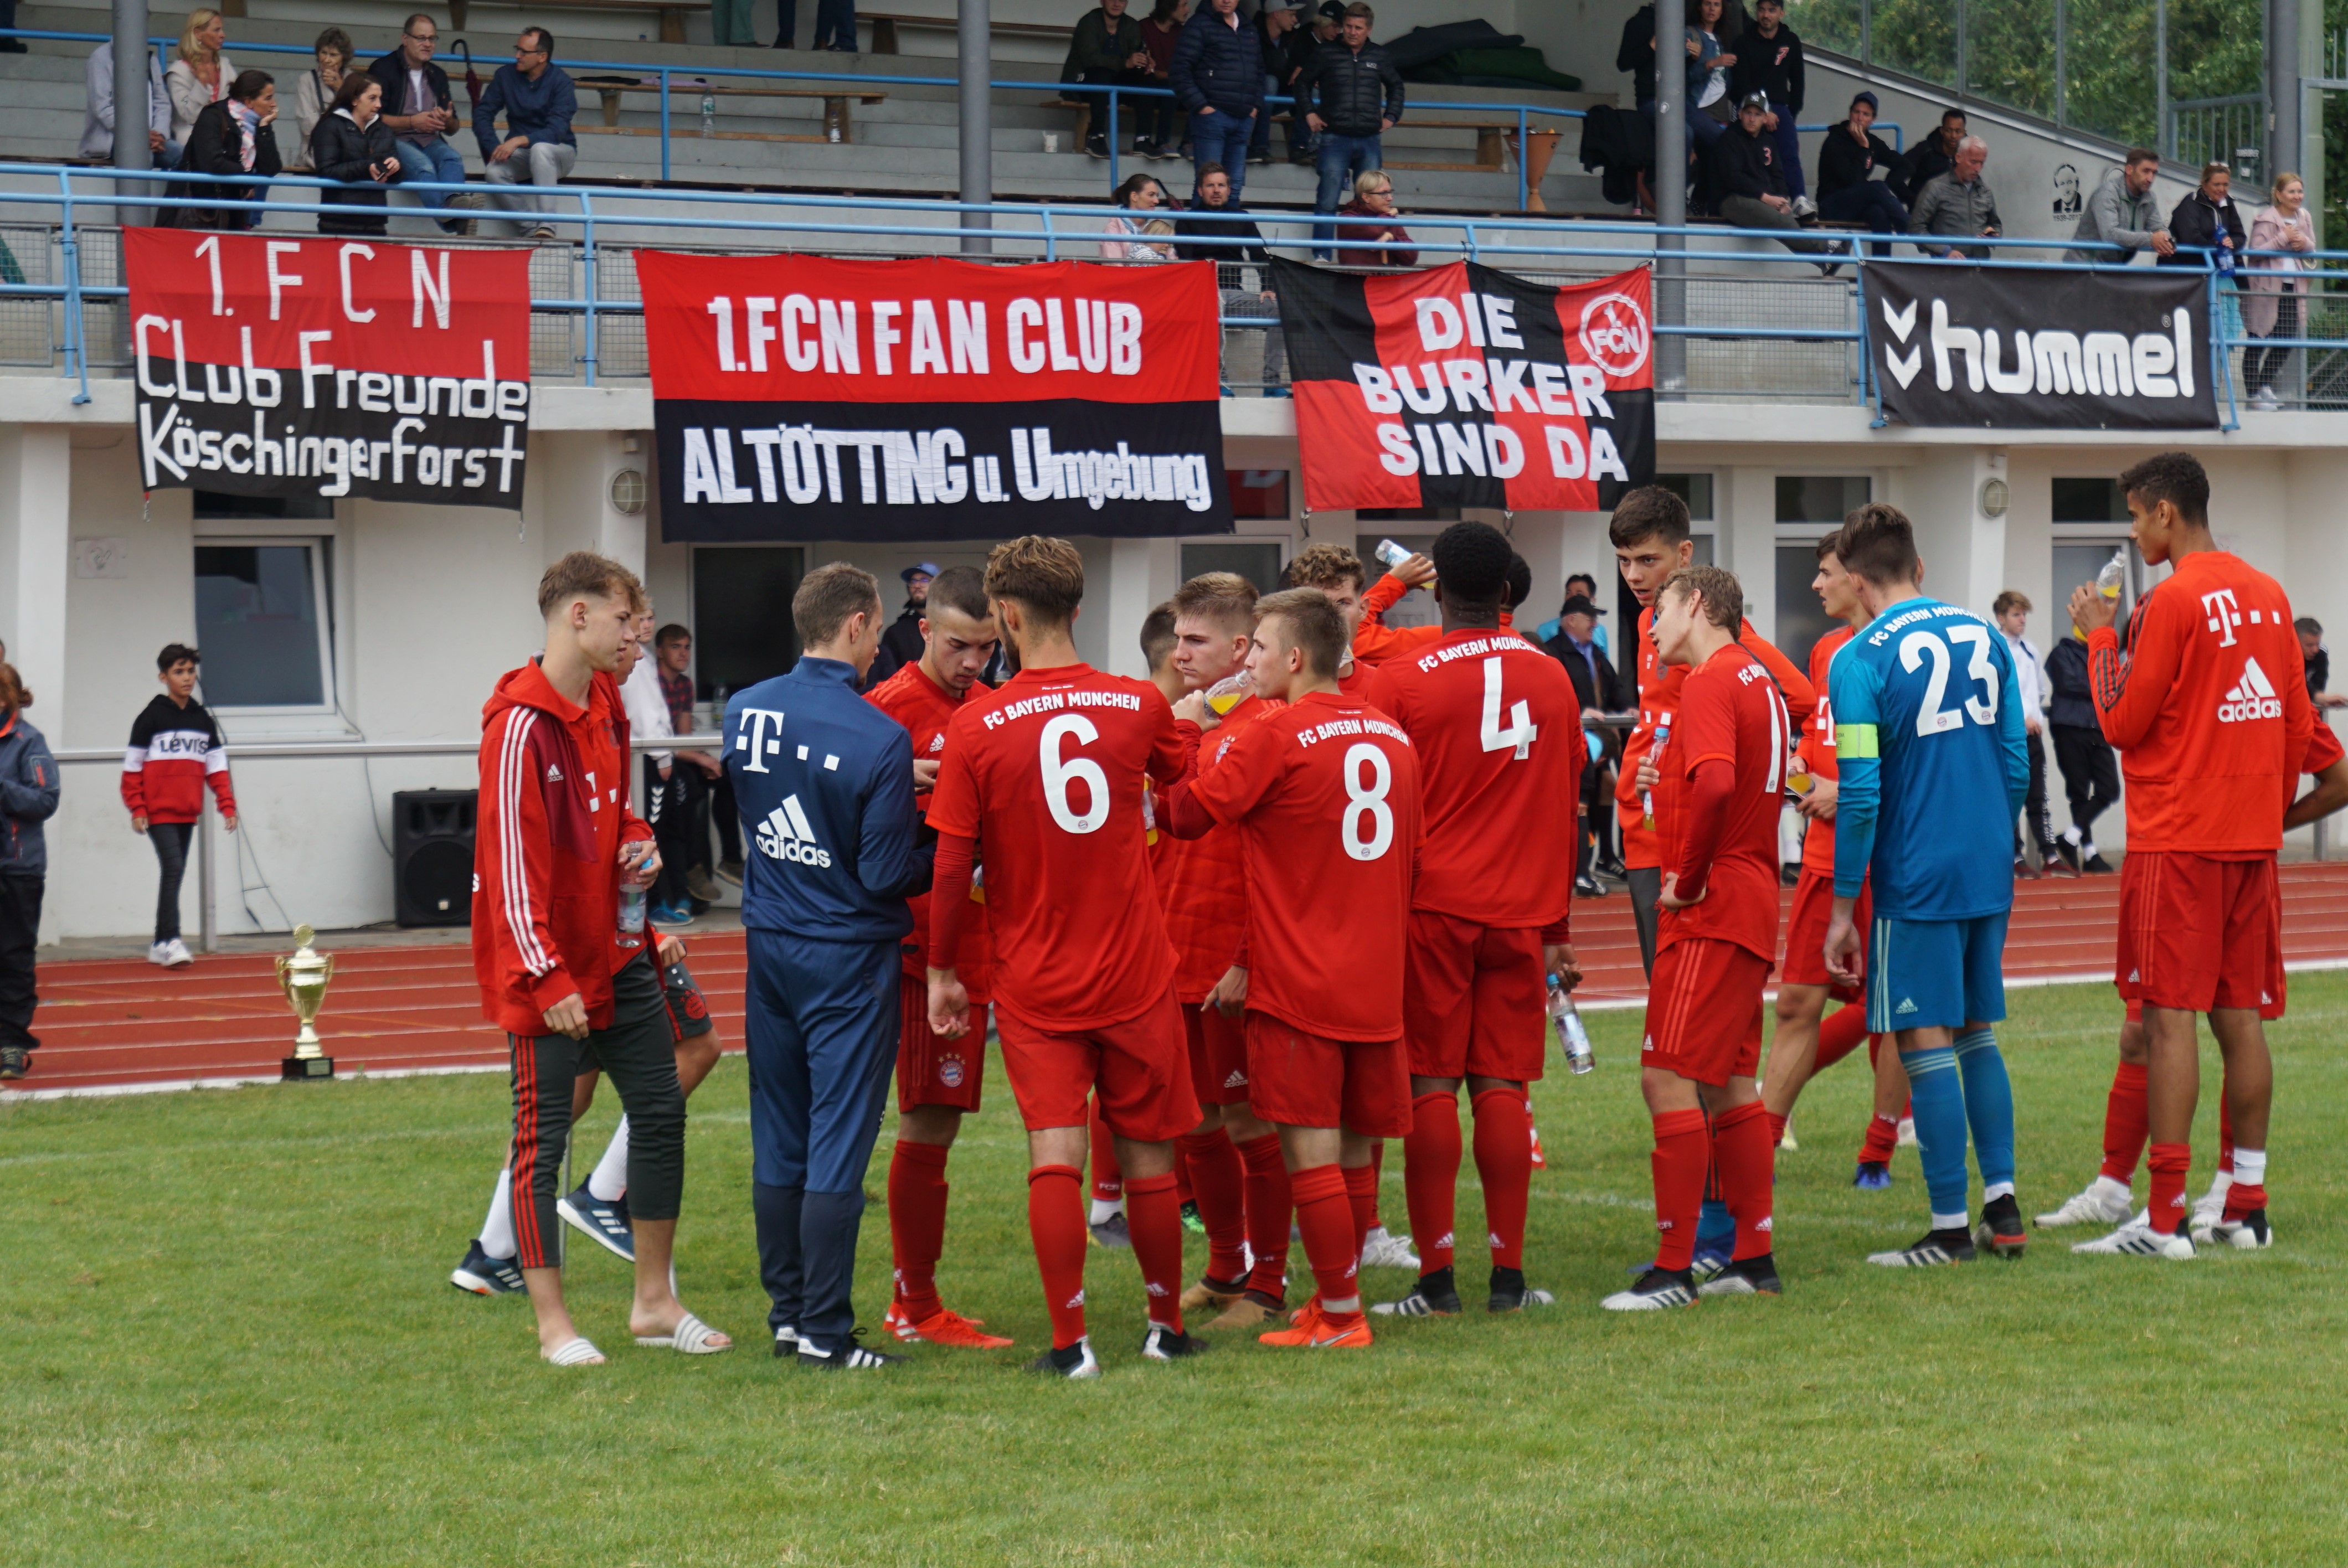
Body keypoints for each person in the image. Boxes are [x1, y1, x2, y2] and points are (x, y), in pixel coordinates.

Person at [925, 537, 1207, 1378]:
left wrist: (943, 969)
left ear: (1005, 615)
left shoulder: (975, 724)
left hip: (1037, 975)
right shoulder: (1134, 703)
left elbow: (949, 863)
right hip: (1135, 969)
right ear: (1077, 609)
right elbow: (1184, 797)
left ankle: (1069, 1342)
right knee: (1152, 1153)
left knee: (1056, 1152)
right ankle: (1164, 1328)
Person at [471, 552, 724, 1366]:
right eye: (625, 621)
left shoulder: (608, 702)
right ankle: (554, 1325)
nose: (636, 639)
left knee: (660, 1113)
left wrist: (640, 845)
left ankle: (654, 1303)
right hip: (546, 976)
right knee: (541, 1143)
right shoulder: (518, 726)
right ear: (577, 616)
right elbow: (510, 867)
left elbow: (618, 814)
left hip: (618, 957)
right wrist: (546, 978)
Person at [1156, 589, 1423, 1348]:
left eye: (1260, 652)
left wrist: (1186, 732)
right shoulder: (1391, 736)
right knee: (1340, 1147)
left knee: (1306, 1150)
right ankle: (1327, 1303)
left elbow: (1185, 816)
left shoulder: (1280, 732)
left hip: (1299, 969)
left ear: (1295, 658)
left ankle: (1337, 1312)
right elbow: (1415, 855)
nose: (1249, 667)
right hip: (1372, 974)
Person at [2064, 453, 2313, 1258]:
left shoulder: (2170, 601)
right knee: (2241, 1022)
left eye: (2137, 516)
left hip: (2180, 840)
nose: (2134, 532)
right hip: (2250, 845)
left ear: (2167, 513)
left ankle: (2163, 1217)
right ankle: (2246, 1200)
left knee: (2167, 1022)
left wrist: (2099, 638)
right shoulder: (2272, 594)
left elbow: (2121, 722)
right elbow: (2294, 725)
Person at [1358, 521, 1581, 1319]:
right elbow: (1567, 807)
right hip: (1521, 911)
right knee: (1502, 1088)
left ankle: (1436, 1281)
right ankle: (1510, 1280)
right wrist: (1558, 925)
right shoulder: (1554, 676)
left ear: (1436, 588)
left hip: (1434, 906)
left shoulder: (1405, 677)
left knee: (1429, 1087)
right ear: (1510, 592)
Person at [727, 563, 934, 1370]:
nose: (880, 641)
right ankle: (824, 1330)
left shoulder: (745, 709)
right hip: (847, 957)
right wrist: (952, 841)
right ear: (853, 626)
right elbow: (886, 873)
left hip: (770, 942)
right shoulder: (881, 735)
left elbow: (786, 794)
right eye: (878, 627)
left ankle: (787, 1315)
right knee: (838, 1144)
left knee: (779, 1136)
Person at [1821, 503, 2029, 1270]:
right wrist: (1987, 835)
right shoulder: (1987, 635)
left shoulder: (1857, 659)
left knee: (1923, 1035)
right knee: (1976, 1028)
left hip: (1917, 871)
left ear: (1855, 578)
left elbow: (1863, 790)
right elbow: (2015, 764)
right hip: (1986, 863)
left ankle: (1948, 1228)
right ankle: (2001, 1204)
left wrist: (1844, 907)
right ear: (1919, 568)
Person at [1611, 488, 1814, 1270]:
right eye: (1626, 561)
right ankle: (1735, 1245)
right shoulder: (1664, 637)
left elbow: (1799, 708)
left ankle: (1694, 1245)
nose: (1636, 579)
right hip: (1663, 846)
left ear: (1688, 572)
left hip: (1699, 865)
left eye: (1650, 564)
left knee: (1678, 1062)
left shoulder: (1727, 657)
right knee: (1712, 1063)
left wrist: (1812, 782)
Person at [861, 568, 1011, 1352]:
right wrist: (896, 788)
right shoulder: (885, 714)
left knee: (941, 1121)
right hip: (921, 956)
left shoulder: (991, 708)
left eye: (988, 648)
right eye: (959, 645)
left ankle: (914, 1301)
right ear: (923, 629)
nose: (973, 662)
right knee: (927, 1120)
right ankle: (912, 1305)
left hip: (978, 948)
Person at [1147, 572, 1297, 1332]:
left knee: (1247, 1122)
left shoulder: (1263, 726)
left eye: (1195, 640)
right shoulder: (1184, 717)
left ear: (1241, 647)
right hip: (1172, 952)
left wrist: (1246, 955)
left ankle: (1268, 1283)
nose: (1180, 653)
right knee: (1195, 1123)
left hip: (1229, 959)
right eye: (1176, 639)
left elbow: (1270, 859)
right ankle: (1225, 1266)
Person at [1760, 533, 1908, 1188]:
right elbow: (1818, 744)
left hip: (1891, 863)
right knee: (1796, 1001)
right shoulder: (1825, 651)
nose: (1815, 586)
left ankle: (1877, 1148)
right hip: (1825, 859)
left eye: (1823, 574)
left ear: (1857, 577)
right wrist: (1799, 779)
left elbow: (1918, 766)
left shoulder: (1903, 651)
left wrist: (1842, 791)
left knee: (1894, 1011)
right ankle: (1757, 1144)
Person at [122, 644, 237, 971]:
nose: (187, 678)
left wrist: (227, 805)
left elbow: (216, 768)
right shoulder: (151, 717)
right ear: (163, 677)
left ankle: (161, 942)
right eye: (178, 672)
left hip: (187, 811)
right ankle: (171, 939)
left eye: (190, 672)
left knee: (174, 872)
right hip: (158, 812)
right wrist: (138, 808)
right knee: (173, 868)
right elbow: (131, 770)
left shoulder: (202, 719)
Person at [1299, 1, 1401, 257]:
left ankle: (1368, 259)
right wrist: (1310, 114)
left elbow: (1397, 87)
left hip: (1369, 138)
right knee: (1327, 200)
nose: (1352, 32)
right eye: (1348, 26)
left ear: (1369, 29)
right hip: (1334, 137)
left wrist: (1391, 117)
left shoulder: (1379, 55)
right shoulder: (1326, 53)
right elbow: (1301, 84)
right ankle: (1322, 258)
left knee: (1374, 203)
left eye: (1358, 27)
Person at [1543, 592, 1627, 898]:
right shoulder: (1554, 653)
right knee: (1580, 800)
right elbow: (1553, 695)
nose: (1595, 623)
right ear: (1571, 620)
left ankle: (1602, 856)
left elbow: (1614, 686)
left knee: (1608, 786)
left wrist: (1629, 707)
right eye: (1589, 618)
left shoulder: (1596, 651)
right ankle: (1581, 869)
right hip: (1574, 739)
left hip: (1598, 739)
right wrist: (1579, 711)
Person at [1175, 164, 1283, 392]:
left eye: (1221, 185)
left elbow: (1260, 256)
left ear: (1229, 189)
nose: (1216, 190)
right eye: (1210, 185)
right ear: (1200, 191)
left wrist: (1268, 287)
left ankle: (1272, 384)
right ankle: (1220, 381)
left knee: (1278, 309)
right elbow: (1186, 264)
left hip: (1235, 295)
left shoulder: (1242, 218)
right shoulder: (1186, 220)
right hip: (1203, 297)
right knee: (1212, 304)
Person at [369, 13, 478, 237]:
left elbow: (454, 127)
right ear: (405, 39)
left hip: (430, 140)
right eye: (421, 38)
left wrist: (446, 121)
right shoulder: (382, 69)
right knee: (424, 167)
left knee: (452, 158)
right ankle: (454, 223)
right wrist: (412, 121)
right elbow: (372, 120)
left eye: (432, 39)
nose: (427, 44)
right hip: (394, 141)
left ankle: (453, 206)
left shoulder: (437, 74)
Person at [1713, 91, 1843, 274]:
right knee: (1779, 220)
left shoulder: (1769, 141)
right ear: (1740, 114)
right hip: (1731, 200)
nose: (1752, 119)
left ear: (1766, 118)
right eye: (1748, 113)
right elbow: (1734, 178)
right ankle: (1825, 248)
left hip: (1761, 200)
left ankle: (1823, 261)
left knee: (1783, 218)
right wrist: (1766, 198)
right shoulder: (1729, 138)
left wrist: (1782, 199)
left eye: (1757, 114)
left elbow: (1778, 175)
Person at [0, 663, 55, 1084]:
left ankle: (13, 1046)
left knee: (14, 958)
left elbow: (45, 800)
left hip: (17, 867)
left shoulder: (29, 741)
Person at [476, 28, 576, 243]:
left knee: (540, 149)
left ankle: (547, 224)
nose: (517, 56)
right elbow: (482, 114)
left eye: (524, 52)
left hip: (560, 151)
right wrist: (494, 147)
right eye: (517, 49)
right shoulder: (505, 75)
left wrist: (521, 140)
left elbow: (557, 131)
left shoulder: (562, 82)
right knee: (494, 171)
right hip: (523, 154)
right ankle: (531, 229)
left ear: (542, 57)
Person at [1171, 0, 1265, 202]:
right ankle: (1198, 234)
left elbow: (1260, 72)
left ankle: (1229, 234)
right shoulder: (1199, 25)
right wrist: (1202, 107)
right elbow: (1179, 72)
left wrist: (1254, 107)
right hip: (1212, 119)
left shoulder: (1248, 27)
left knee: (1234, 187)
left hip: (1243, 118)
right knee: (1208, 187)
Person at [162, 69, 279, 230]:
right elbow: (212, 162)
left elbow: (271, 169)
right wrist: (247, 178)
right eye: (268, 98)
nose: (274, 104)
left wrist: (265, 128)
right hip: (199, 210)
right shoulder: (213, 117)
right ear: (249, 101)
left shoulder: (258, 124)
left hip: (232, 212)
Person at [1994, 591, 2060, 875]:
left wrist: (2034, 717)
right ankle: (2014, 855)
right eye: (2016, 615)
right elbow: (1999, 693)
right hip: (2008, 737)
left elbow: (2039, 689)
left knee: (2038, 794)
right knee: (2012, 794)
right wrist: (2021, 718)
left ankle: (2050, 854)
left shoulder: (2031, 650)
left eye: (2024, 615)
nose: (2022, 620)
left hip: (2033, 736)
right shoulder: (1996, 648)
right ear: (2001, 618)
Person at [2043, 620, 2117, 873]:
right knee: (2079, 792)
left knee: (2109, 789)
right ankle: (2089, 852)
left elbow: (2115, 683)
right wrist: (2101, 686)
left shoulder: (2104, 656)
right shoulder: (2061, 653)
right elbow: (2070, 684)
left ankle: (2070, 838)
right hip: (2069, 728)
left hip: (2097, 728)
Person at [2244, 172, 2319, 408]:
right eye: (2292, 192)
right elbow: (2255, 253)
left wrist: (2302, 244)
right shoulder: (2266, 220)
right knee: (2259, 336)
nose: (2297, 196)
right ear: (2279, 195)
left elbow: (2312, 247)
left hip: (2293, 286)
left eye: (2299, 191)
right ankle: (2253, 393)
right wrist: (2282, 238)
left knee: (2286, 339)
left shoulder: (2304, 217)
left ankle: (2265, 384)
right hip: (2266, 288)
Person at [1728, 0, 1805, 207]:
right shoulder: (1742, 43)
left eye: (1772, 10)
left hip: (1780, 110)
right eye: (1762, 10)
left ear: (1781, 13)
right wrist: (1764, 112)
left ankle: (1798, 199)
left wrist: (1791, 115)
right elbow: (1740, 86)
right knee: (1744, 155)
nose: (1766, 15)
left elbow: (1798, 83)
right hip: (1747, 107)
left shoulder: (1791, 41)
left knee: (1788, 154)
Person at [1815, 91, 1907, 255]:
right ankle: (1910, 229)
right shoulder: (1834, 141)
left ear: (1873, 120)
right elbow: (1853, 181)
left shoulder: (1873, 143)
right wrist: (1863, 149)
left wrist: (1890, 185)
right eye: (1856, 112)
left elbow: (1905, 166)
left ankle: (1881, 268)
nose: (1859, 118)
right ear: (1850, 114)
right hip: (1831, 205)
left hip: (1856, 205)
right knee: (1876, 188)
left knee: (1879, 212)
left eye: (1866, 114)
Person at [312, 73, 401, 236]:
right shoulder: (330, 126)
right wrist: (367, 167)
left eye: (380, 99)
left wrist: (395, 167)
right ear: (354, 100)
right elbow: (326, 170)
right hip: (337, 221)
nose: (379, 105)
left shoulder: (384, 130)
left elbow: (397, 176)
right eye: (372, 98)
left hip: (375, 221)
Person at [1063, 0, 1152, 160]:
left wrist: (1144, 63)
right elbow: (1091, 60)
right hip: (1082, 83)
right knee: (1101, 75)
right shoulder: (1089, 22)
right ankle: (1096, 136)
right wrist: (1125, 63)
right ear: (1102, 1)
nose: (1117, 4)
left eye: (1122, 0)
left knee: (1146, 79)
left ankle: (1142, 140)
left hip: (1114, 85)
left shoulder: (1130, 25)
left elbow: (1134, 56)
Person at [2064, 148, 2173, 265]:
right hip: (2084, 267)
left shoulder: (2149, 197)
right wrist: (2151, 240)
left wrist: (2165, 241)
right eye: (2146, 171)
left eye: (2154, 173)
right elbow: (2111, 235)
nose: (2150, 179)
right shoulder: (2107, 193)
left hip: (2113, 268)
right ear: (2129, 170)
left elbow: (2159, 228)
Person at [81, 39, 178, 166]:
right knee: (141, 155)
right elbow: (102, 107)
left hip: (152, 139)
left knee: (184, 156)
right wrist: (139, 134)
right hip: (110, 140)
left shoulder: (150, 59)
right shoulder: (100, 58)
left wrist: (159, 134)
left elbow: (162, 103)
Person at [1908, 135, 2001, 260]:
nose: (1978, 168)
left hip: (1980, 266)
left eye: (1982, 163)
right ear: (1958, 158)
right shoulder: (1936, 188)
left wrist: (1993, 235)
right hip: (1947, 268)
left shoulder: (1985, 191)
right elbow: (1916, 229)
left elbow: (1995, 224)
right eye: (1973, 162)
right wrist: (1945, 251)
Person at [166, 8, 236, 149]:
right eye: (216, 30)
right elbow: (189, 116)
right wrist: (201, 84)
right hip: (191, 141)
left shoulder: (226, 67)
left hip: (225, 137)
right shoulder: (179, 72)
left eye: (221, 30)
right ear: (198, 33)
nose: (223, 35)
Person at [286, 28, 352, 172]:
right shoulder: (306, 81)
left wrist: (340, 89)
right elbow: (307, 125)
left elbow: (359, 116)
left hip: (346, 155)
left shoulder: (353, 81)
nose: (327, 60)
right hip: (315, 156)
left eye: (334, 55)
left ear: (343, 58)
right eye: (324, 53)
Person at [1246, 0, 1303, 166]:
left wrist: (1305, 70)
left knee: (1310, 89)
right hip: (1250, 98)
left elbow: (1301, 67)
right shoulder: (1251, 33)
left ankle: (1302, 148)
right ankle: (1259, 147)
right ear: (1277, 14)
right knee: (1270, 82)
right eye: (1291, 14)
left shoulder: (1293, 37)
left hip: (1280, 97)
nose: (1295, 20)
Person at [2160, 161, 2243, 269]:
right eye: (2217, 184)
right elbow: (2191, 239)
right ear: (2204, 185)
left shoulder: (2229, 205)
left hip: (2220, 269)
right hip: (2186, 270)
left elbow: (2240, 236)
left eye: (2225, 185)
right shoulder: (2190, 203)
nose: (2222, 189)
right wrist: (2218, 243)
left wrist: (2232, 242)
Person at [867, 562, 938, 689]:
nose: (917, 585)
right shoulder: (896, 632)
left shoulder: (951, 627)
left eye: (924, 580)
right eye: (913, 581)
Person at [1134, 0, 1188, 159]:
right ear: (1169, 7)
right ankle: (1160, 142)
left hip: (1174, 91)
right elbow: (1145, 71)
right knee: (1169, 85)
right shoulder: (1144, 28)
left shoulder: (1181, 32)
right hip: (1147, 92)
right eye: (1184, 5)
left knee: (1200, 89)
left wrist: (1164, 74)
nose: (1188, 9)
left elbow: (1185, 72)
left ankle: (1188, 142)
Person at [1332, 168, 1415, 267]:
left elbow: (1411, 258)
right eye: (1384, 193)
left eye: (1390, 192)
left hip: (1385, 281)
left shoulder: (1389, 219)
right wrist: (1389, 217)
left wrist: (1391, 238)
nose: (1390, 198)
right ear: (1366, 197)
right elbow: (1373, 231)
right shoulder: (1348, 217)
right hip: (1357, 281)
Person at [1891, 105, 1964, 208]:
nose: (1953, 136)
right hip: (1923, 216)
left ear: (1964, 133)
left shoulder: (1967, 155)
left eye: (1958, 131)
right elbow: (1894, 178)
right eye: (1949, 130)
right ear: (1942, 131)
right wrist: (1915, 202)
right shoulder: (1925, 150)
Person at [1099, 171, 1177, 259]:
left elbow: (1170, 262)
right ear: (1134, 196)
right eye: (1151, 195)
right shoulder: (1113, 230)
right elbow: (1114, 269)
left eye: (1157, 196)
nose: (1157, 201)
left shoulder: (1157, 226)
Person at [2296, 617, 2348, 707]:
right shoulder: (2284, 655)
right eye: (2310, 645)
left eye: (2318, 643)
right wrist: (2317, 696)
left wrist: (2320, 697)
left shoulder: (2321, 653)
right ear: (2295, 641)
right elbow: (2294, 680)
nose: (2315, 650)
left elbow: (2319, 684)